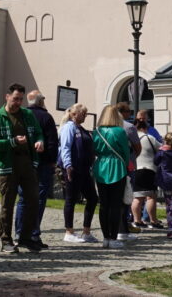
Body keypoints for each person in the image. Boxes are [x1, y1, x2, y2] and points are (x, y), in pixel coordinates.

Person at [0, 82, 45, 253]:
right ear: (7, 97)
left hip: (27, 164)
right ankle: (6, 240)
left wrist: (39, 141)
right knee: (7, 203)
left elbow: (38, 132)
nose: (18, 103)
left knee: (33, 200)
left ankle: (25, 238)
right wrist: (13, 142)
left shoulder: (27, 114)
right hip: (8, 166)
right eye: (15, 99)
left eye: (21, 99)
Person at [15, 90, 58, 247]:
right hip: (42, 162)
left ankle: (19, 232)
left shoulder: (21, 114)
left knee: (23, 198)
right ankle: (33, 233)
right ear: (40, 102)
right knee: (39, 198)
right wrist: (52, 161)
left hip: (23, 161)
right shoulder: (46, 117)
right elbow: (52, 142)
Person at [58, 103, 99, 243]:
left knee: (92, 198)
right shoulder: (69, 127)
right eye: (83, 114)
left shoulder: (81, 128)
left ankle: (86, 231)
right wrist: (68, 165)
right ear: (74, 114)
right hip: (73, 168)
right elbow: (66, 147)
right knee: (71, 199)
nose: (85, 116)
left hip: (85, 169)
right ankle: (69, 231)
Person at [93, 105, 131, 249]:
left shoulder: (97, 131)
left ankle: (105, 238)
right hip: (117, 167)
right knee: (115, 205)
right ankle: (113, 237)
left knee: (104, 205)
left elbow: (95, 149)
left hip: (101, 166)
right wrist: (126, 164)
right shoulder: (120, 131)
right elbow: (126, 152)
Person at [115, 102, 142, 240]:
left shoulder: (107, 125)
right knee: (126, 196)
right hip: (127, 166)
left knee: (114, 198)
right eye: (129, 111)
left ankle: (117, 228)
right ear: (124, 112)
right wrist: (131, 159)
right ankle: (123, 229)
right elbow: (138, 147)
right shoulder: (129, 127)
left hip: (111, 166)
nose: (130, 114)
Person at [131, 117, 162, 229]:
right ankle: (153, 221)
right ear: (144, 128)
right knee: (151, 196)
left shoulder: (132, 139)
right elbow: (161, 148)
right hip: (149, 169)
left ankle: (137, 220)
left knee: (137, 197)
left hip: (136, 170)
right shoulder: (150, 138)